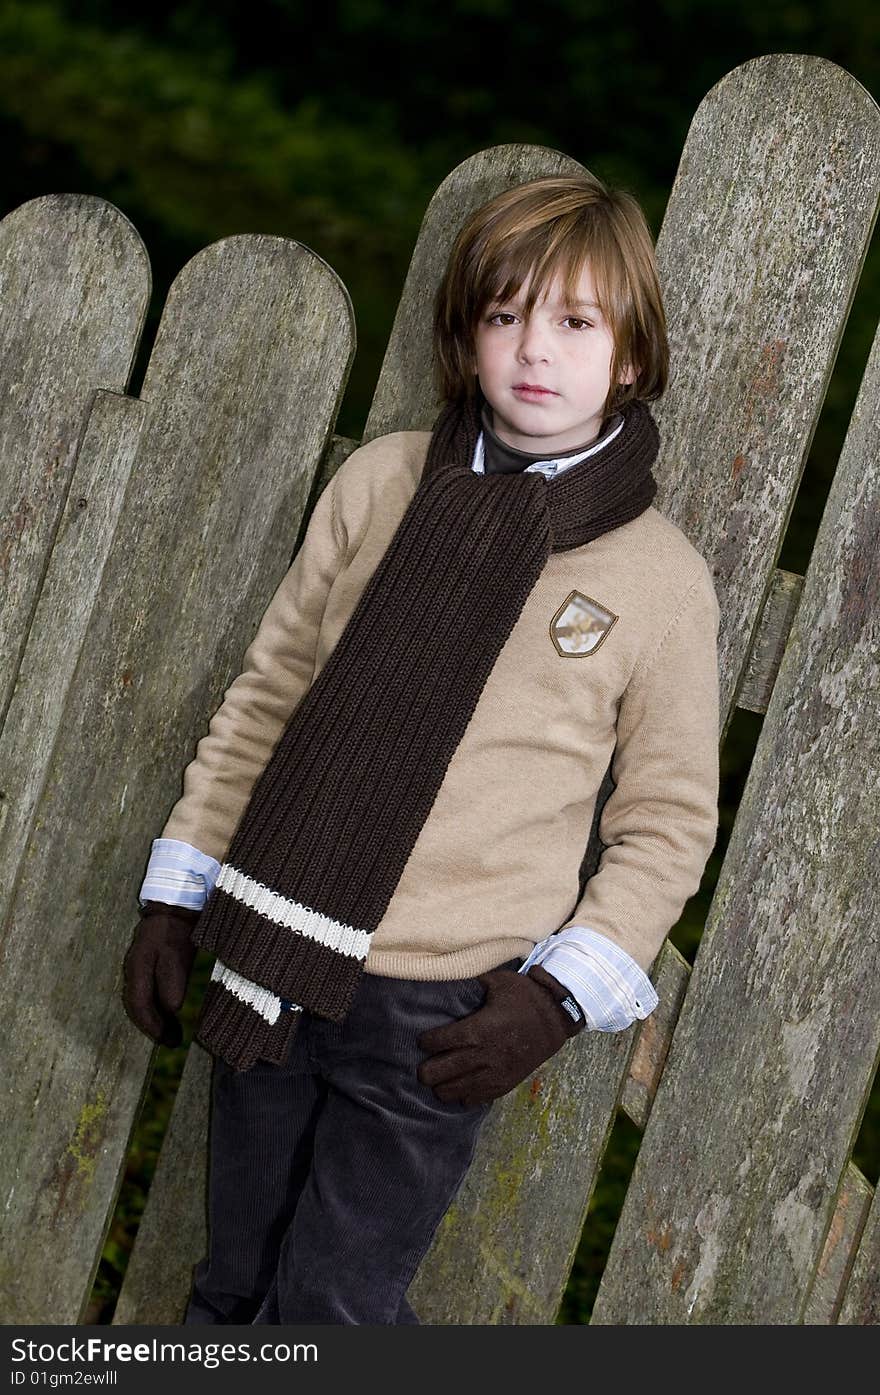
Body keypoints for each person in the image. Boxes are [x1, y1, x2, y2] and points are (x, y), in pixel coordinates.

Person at [122, 172, 721, 1325]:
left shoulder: (656, 577)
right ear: (465, 335)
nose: (533, 351)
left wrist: (551, 1002)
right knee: (233, 1282)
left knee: (334, 1309)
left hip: (443, 1012)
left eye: (575, 322)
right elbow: (268, 698)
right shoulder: (382, 482)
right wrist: (177, 894)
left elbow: (666, 823)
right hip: (274, 946)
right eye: (504, 316)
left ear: (631, 354)